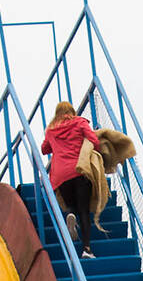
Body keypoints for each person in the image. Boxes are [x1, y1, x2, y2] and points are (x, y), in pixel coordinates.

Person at [41, 101, 100, 259]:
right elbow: (94, 141)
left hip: (60, 175)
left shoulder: (51, 130)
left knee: (71, 205)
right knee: (84, 211)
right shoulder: (80, 122)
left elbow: (44, 149)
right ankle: (87, 249)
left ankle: (70, 216)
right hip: (80, 170)